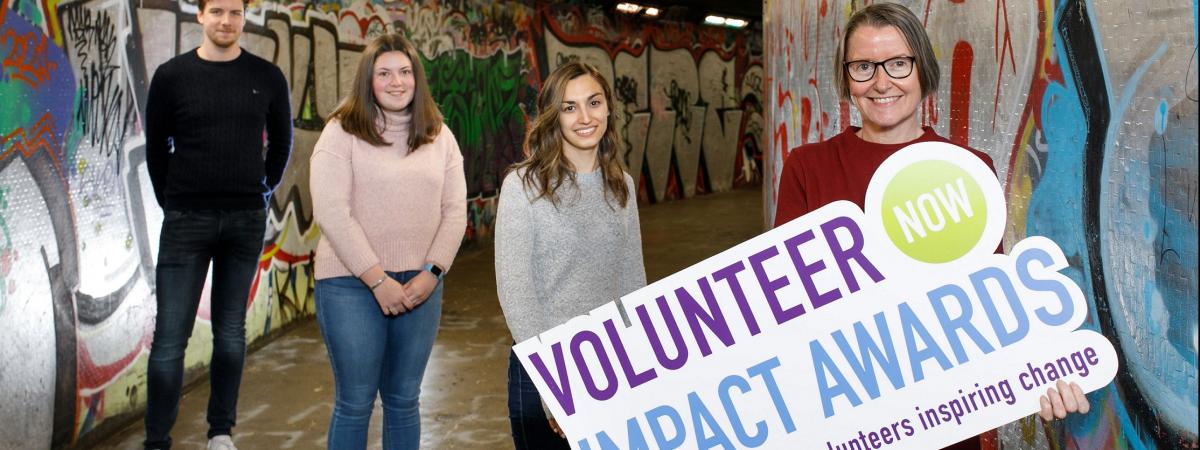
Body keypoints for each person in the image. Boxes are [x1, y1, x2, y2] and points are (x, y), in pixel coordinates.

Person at [773, 3, 1090, 449]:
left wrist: (1039, 373)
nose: (881, 82)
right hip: (838, 424)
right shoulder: (807, 168)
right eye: (864, 66)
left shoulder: (968, 170)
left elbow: (988, 307)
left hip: (939, 426)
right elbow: (781, 312)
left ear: (922, 69)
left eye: (898, 64)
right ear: (846, 77)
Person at [142, 0, 292, 447]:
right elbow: (156, 153)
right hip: (186, 219)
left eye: (234, 12)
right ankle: (157, 441)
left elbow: (281, 145)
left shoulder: (266, 77)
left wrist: (261, 191)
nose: (226, 21)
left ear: (243, 18)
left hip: (244, 220)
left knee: (230, 332)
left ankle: (220, 432)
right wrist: (173, 203)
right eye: (217, 11)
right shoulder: (172, 77)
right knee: (170, 338)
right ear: (200, 17)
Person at [308, 32, 466, 450]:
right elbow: (332, 213)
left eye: (405, 71)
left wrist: (432, 273)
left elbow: (454, 212)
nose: (396, 82)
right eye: (384, 73)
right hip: (349, 285)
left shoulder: (440, 136)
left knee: (403, 400)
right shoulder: (341, 133)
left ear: (417, 77)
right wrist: (377, 279)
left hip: (421, 286)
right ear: (368, 80)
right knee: (356, 402)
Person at [494, 60, 647, 449]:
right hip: (543, 368)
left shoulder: (621, 186)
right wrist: (555, 390)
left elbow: (633, 282)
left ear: (609, 108)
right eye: (569, 107)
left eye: (594, 103)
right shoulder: (523, 186)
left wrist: (643, 364)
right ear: (553, 116)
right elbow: (517, 294)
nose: (584, 117)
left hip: (611, 364)